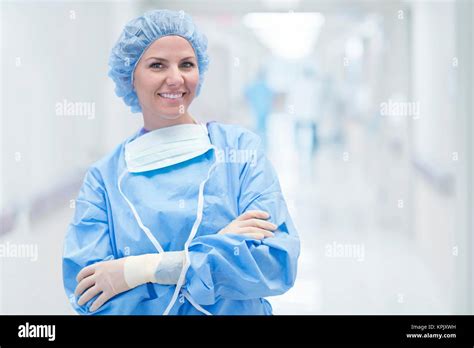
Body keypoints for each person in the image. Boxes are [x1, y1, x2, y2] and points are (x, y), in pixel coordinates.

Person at [62, 9, 300, 315]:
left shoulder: (239, 151)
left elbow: (274, 263)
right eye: (157, 65)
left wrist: (138, 270)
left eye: (187, 64)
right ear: (129, 75)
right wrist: (220, 250)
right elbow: (89, 295)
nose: (175, 78)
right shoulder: (105, 179)